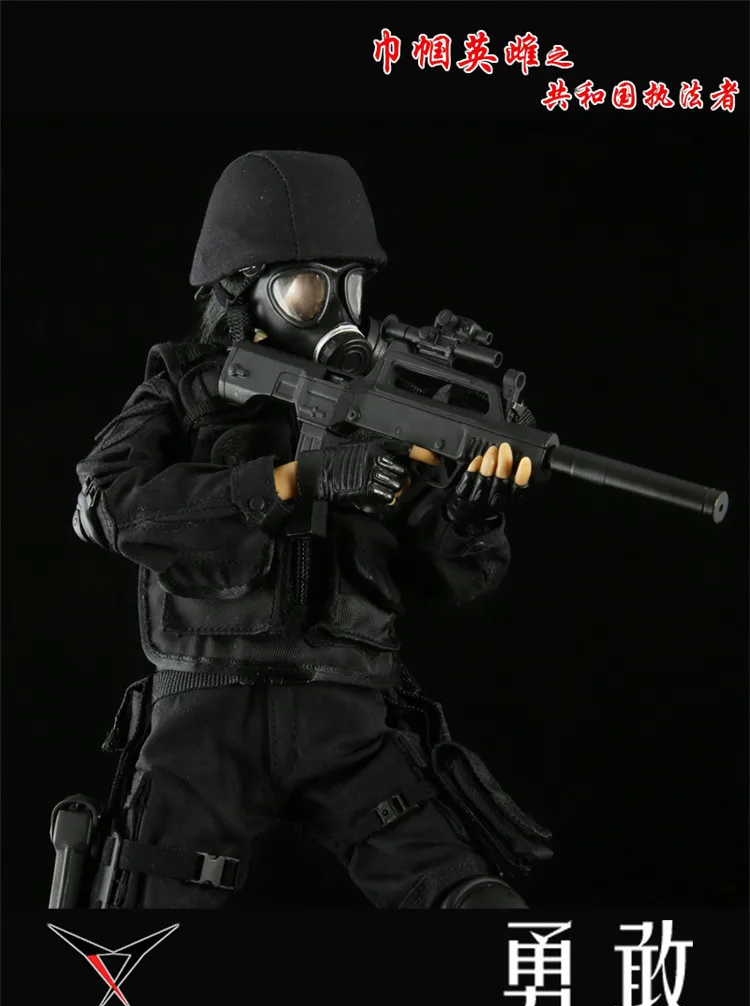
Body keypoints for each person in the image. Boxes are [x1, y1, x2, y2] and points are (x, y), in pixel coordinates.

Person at [73, 150, 551, 910]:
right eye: (309, 289)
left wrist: (470, 514)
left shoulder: (386, 403)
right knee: (143, 928)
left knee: (465, 899)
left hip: (349, 717)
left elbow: (446, 575)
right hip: (206, 714)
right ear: (242, 291)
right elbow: (108, 502)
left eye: (351, 286)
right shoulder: (187, 388)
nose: (339, 313)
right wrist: (293, 481)